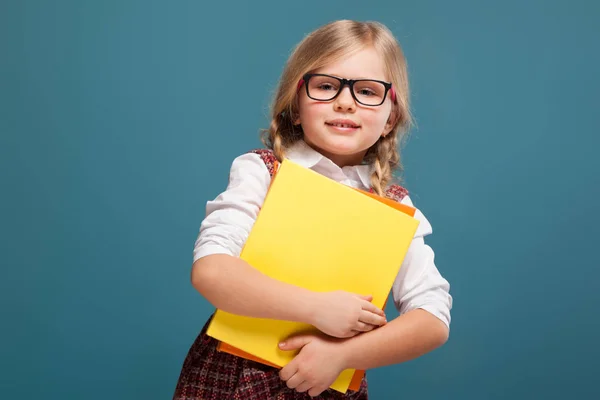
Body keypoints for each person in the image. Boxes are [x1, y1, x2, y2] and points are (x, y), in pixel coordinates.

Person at [173, 19, 452, 400]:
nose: (345, 101)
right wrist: (317, 308)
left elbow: (432, 319)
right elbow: (212, 271)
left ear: (391, 118)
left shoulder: (396, 207)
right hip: (234, 377)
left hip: (328, 382)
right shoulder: (262, 173)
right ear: (295, 107)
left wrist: (343, 355)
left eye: (368, 91)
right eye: (326, 86)